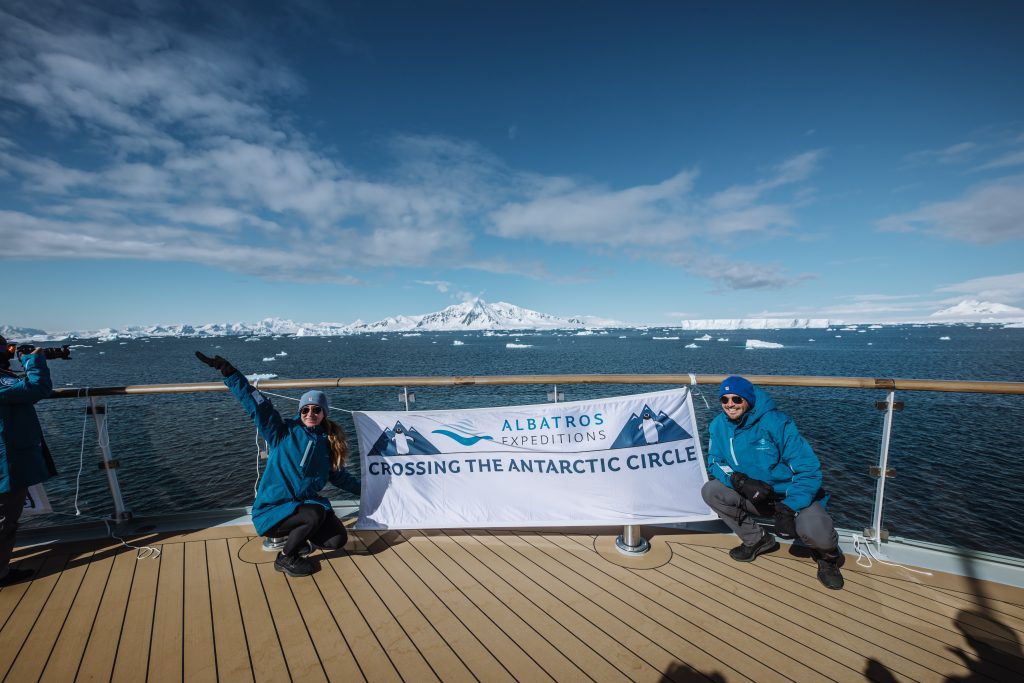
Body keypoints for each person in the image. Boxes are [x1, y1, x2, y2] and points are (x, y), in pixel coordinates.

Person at [196, 351, 361, 577]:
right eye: (305, 409)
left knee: (336, 540)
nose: (310, 413)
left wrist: (366, 490)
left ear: (324, 414)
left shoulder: (327, 444)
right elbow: (258, 407)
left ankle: (299, 536)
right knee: (313, 515)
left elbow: (339, 476)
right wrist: (230, 372)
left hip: (301, 508)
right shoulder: (282, 433)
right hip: (272, 511)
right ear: (300, 412)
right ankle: (286, 557)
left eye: (316, 409)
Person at [701, 375, 845, 589]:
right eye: (725, 399)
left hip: (792, 498)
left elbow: (809, 470)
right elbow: (715, 461)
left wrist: (789, 508)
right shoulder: (718, 425)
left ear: (748, 400)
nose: (730, 405)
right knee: (711, 491)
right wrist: (739, 481)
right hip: (756, 495)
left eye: (736, 399)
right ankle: (757, 539)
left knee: (818, 535)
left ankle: (828, 558)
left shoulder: (777, 423)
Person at [0, 337, 58, 587]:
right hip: (6, 461)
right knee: (5, 518)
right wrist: (33, 360)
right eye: (7, 349)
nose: (10, 352)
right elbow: (37, 388)